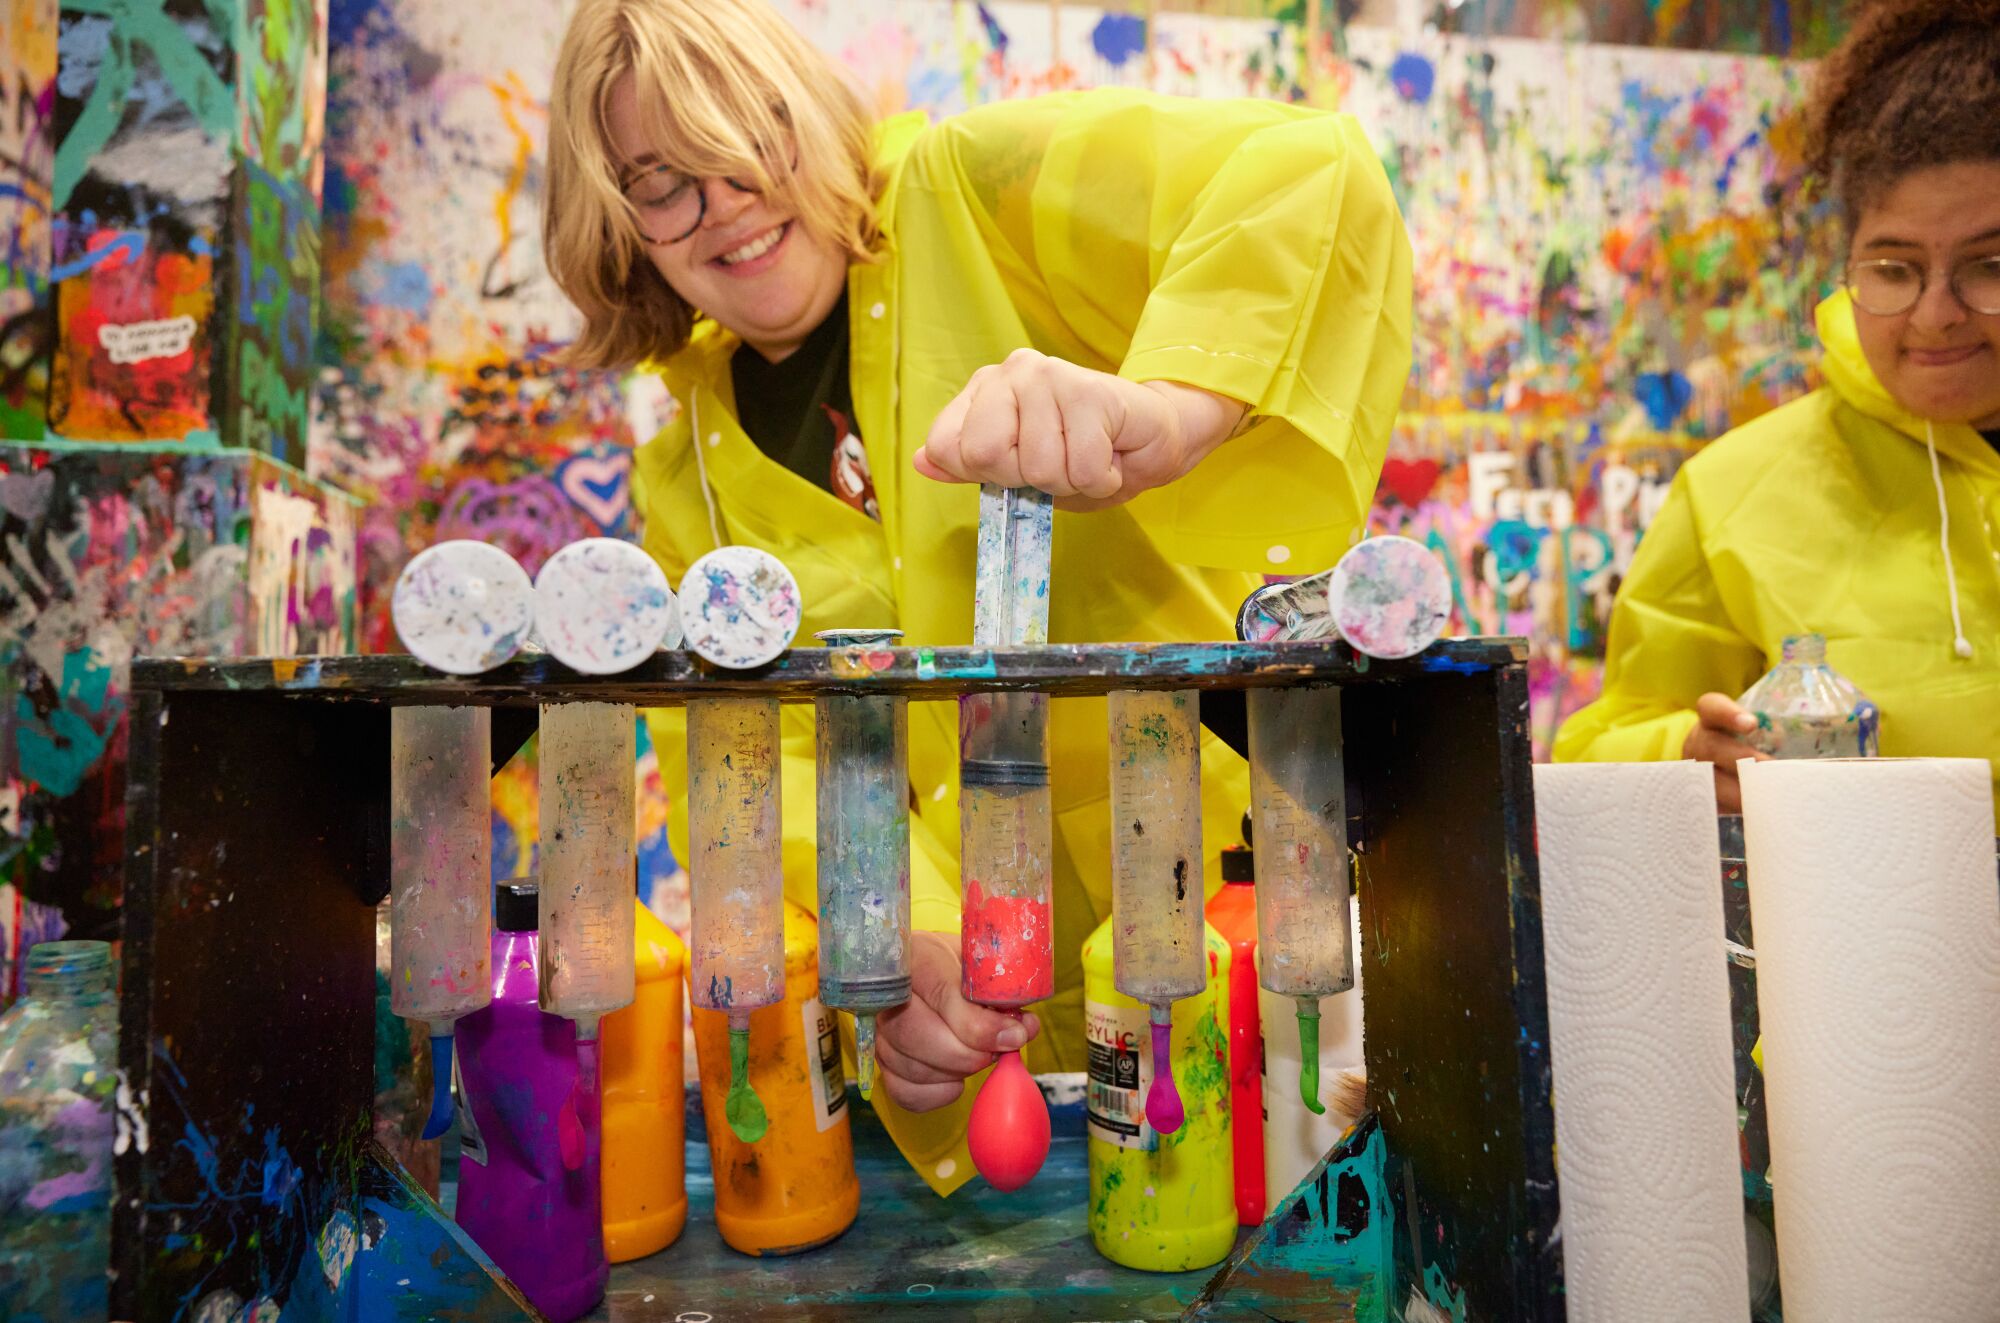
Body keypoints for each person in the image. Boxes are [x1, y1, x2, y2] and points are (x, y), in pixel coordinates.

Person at [544, 0, 1411, 1192]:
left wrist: (1163, 411)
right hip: (971, 1034)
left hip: (1214, 930)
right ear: (619, 217)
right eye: (663, 182)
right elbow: (760, 763)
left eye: (751, 142)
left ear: (814, 114)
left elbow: (1305, 172)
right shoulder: (685, 465)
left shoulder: (971, 191)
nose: (725, 205)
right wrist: (890, 940)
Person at [1554, 0, 2000, 814]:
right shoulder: (1733, 491)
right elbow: (1593, 751)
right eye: (1894, 269)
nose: (1936, 313)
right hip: (1861, 941)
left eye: (1990, 264)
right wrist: (1689, 757)